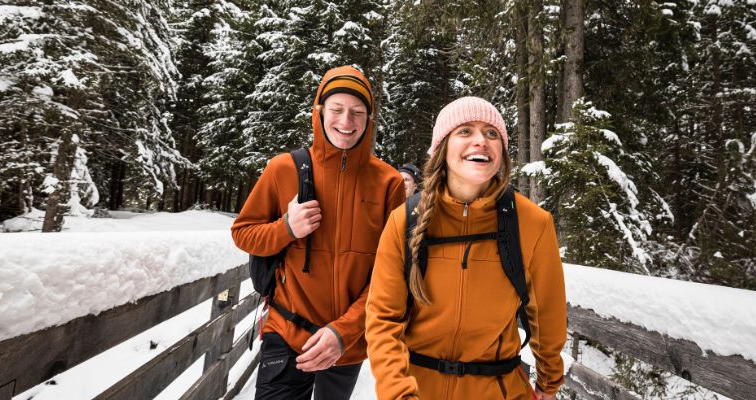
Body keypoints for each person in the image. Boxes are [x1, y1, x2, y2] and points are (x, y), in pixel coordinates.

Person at [365, 97, 567, 399]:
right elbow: (383, 320)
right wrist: (398, 393)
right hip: (417, 390)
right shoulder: (404, 220)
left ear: (502, 153)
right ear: (442, 148)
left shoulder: (533, 223)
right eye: (465, 131)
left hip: (499, 389)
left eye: (491, 133)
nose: (480, 141)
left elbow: (548, 315)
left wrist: (549, 384)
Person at [232, 66, 405, 399]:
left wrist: (345, 332)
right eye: (337, 110)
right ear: (320, 112)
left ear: (368, 120)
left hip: (347, 342)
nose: (346, 121)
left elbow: (392, 274)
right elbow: (244, 233)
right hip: (286, 331)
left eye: (357, 112)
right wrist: (286, 228)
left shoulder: (389, 183)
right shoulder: (283, 169)